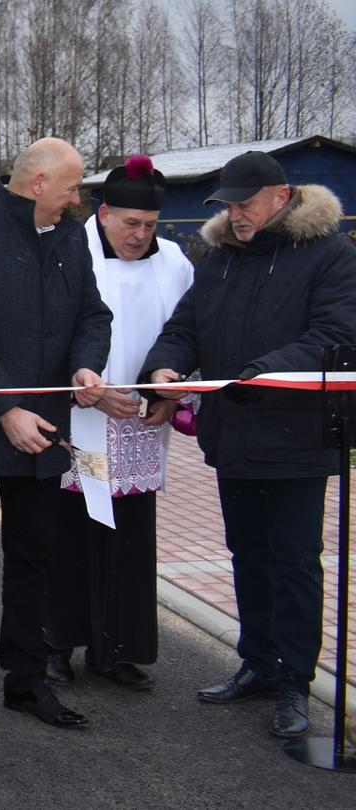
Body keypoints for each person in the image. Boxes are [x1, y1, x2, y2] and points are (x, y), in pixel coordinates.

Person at [143, 150, 356, 738]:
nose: (235, 214)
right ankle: (258, 663)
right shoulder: (220, 259)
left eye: (245, 203)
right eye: (228, 205)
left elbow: (337, 336)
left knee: (293, 563)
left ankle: (294, 682)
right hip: (233, 435)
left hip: (296, 439)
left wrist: (262, 374)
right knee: (247, 555)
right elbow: (185, 327)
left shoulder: (330, 255)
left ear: (281, 197)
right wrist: (164, 366)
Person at [0, 137, 112, 731]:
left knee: (34, 559)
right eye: (71, 185)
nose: (77, 197)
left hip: (47, 435)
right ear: (38, 183)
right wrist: (6, 408)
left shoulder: (72, 234)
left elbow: (93, 314)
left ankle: (26, 682)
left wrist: (87, 365)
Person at [42, 155, 193, 693]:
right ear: (104, 213)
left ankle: (118, 648)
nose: (140, 236)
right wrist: (91, 390)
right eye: (131, 223)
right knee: (72, 531)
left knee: (130, 537)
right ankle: (57, 644)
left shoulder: (174, 261)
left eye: (150, 226)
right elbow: (48, 333)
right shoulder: (69, 251)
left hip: (142, 422)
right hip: (84, 416)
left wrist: (169, 395)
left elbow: (186, 330)